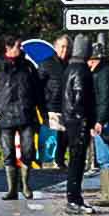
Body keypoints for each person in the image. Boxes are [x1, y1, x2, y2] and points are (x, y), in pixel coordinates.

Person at [0, 35, 43, 201]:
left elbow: (38, 92)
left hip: (26, 115)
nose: (21, 48)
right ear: (8, 47)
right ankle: (11, 189)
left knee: (28, 150)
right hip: (5, 115)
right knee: (8, 152)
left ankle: (25, 185)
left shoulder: (28, 67)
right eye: (18, 46)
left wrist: (44, 113)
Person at [61, 34, 96, 214]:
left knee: (75, 159)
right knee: (77, 161)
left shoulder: (69, 68)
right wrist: (86, 122)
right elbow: (80, 97)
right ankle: (74, 198)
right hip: (78, 121)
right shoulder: (82, 71)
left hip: (70, 119)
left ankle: (74, 197)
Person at [88, 43, 109, 207]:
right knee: (105, 156)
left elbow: (104, 100)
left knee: (105, 157)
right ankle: (108, 193)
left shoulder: (103, 74)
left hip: (106, 121)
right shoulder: (107, 72)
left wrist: (99, 121)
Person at [37, 34, 70, 169]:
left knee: (64, 138)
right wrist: (42, 107)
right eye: (62, 47)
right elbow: (38, 87)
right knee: (53, 139)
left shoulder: (71, 64)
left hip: (67, 108)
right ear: (56, 48)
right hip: (51, 108)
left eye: (67, 47)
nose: (65, 50)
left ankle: (59, 162)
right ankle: (50, 165)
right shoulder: (46, 64)